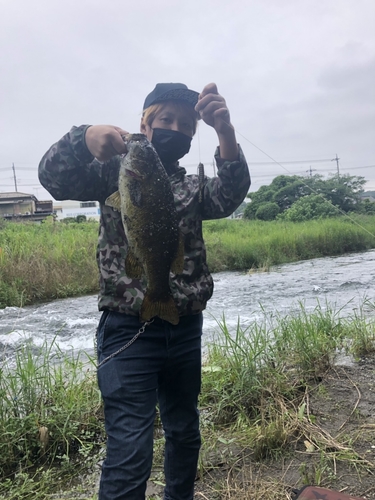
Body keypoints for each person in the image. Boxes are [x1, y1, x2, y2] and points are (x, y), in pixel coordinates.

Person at [38, 82, 250, 500]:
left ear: (193, 135)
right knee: (130, 449)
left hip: (184, 326)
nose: (175, 128)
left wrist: (223, 130)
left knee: (185, 432)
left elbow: (230, 194)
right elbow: (53, 178)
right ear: (144, 124)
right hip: (126, 329)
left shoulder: (192, 187)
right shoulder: (111, 172)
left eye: (186, 125)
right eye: (165, 120)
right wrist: (84, 136)